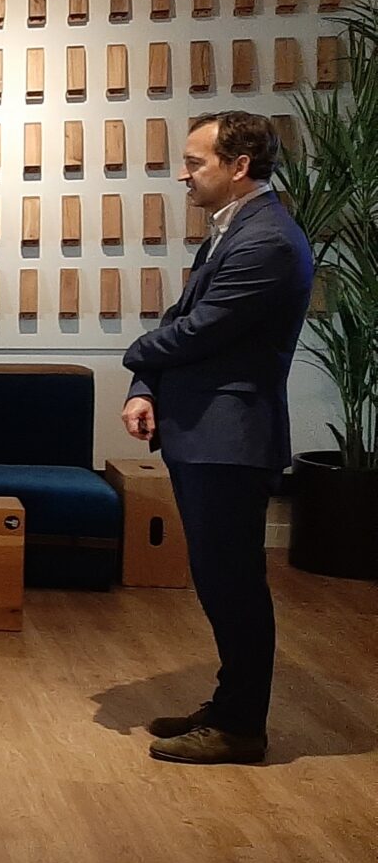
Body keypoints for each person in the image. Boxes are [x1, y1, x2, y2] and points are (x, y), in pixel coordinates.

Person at [123, 111, 314, 766]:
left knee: (233, 586)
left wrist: (135, 355)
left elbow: (200, 331)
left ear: (239, 166)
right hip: (206, 436)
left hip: (229, 439)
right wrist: (144, 385)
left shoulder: (268, 240)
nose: (183, 174)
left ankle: (240, 727)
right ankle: (230, 706)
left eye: (195, 162)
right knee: (218, 581)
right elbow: (182, 318)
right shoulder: (235, 229)